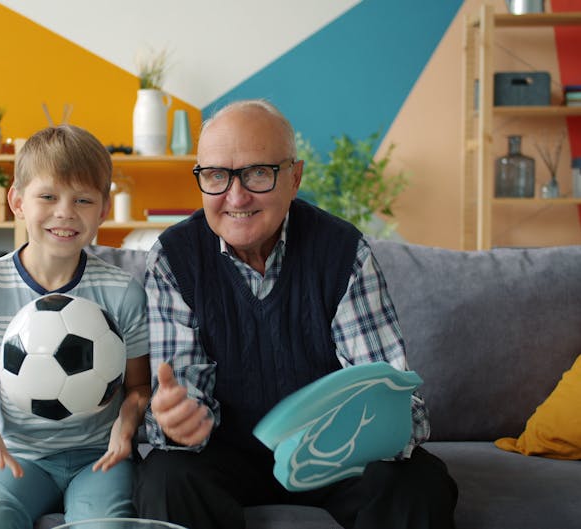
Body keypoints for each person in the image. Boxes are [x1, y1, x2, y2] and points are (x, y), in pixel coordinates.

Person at [134, 99, 458, 529]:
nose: (235, 196)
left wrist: (385, 423)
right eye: (216, 175)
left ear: (295, 177)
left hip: (336, 456)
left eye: (257, 173)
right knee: (165, 479)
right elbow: (183, 393)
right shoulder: (173, 260)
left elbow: (400, 404)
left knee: (418, 483)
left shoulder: (344, 253)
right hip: (225, 456)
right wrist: (179, 420)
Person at [0, 124, 151, 528]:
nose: (65, 212)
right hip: (20, 456)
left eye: (83, 199)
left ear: (104, 209)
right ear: (18, 200)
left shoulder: (124, 292)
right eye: (48, 196)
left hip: (101, 455)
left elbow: (139, 387)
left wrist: (126, 427)